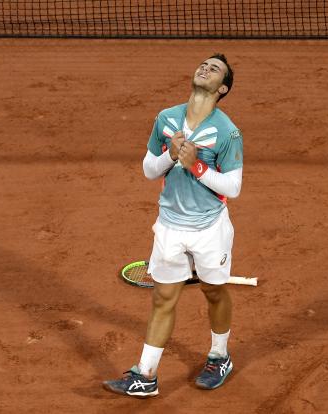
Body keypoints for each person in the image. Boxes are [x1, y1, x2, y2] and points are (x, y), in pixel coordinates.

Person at [103, 54, 243, 398]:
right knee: (164, 298)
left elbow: (233, 188)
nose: (206, 68)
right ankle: (145, 375)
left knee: (213, 291)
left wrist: (196, 166)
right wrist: (170, 153)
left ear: (222, 88)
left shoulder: (227, 132)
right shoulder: (166, 118)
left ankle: (219, 356)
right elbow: (150, 170)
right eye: (204, 64)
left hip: (210, 228)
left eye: (215, 69)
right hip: (169, 226)